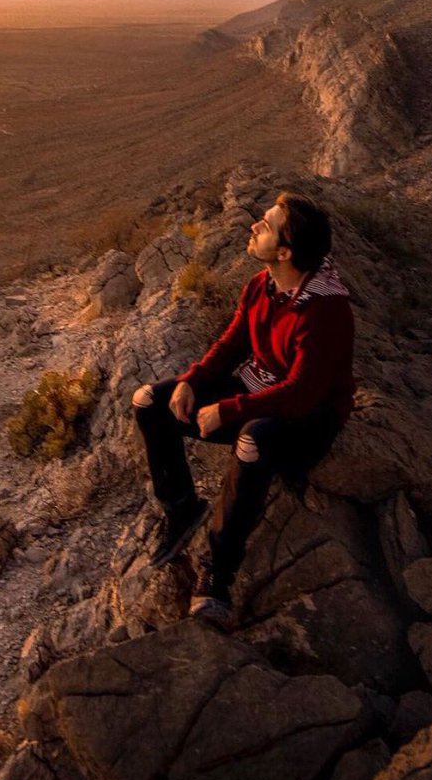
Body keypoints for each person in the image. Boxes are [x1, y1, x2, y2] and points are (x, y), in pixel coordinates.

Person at [132, 191, 355, 627]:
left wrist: (229, 410)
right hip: (257, 391)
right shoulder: (262, 284)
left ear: (286, 251)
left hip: (308, 421)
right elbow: (232, 343)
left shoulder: (326, 311)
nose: (254, 226)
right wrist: (192, 382)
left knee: (252, 441)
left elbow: (300, 394)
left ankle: (218, 575)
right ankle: (181, 509)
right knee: (148, 401)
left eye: (266, 226)